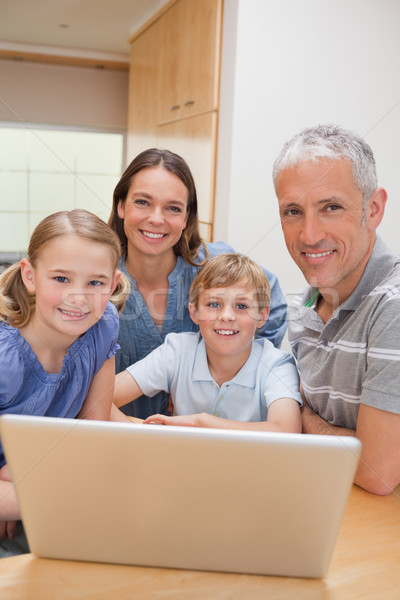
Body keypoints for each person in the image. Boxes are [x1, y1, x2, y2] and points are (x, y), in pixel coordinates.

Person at [108, 148, 288, 420]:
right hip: (120, 430)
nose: (157, 218)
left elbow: (270, 299)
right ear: (121, 206)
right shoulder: (98, 278)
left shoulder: (213, 266)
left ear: (186, 217)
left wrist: (242, 361)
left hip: (209, 437)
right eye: (143, 202)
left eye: (173, 208)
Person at [273, 123, 400, 495]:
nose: (309, 234)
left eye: (331, 207)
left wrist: (305, 420)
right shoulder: (305, 303)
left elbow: (377, 472)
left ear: (373, 209)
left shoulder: (393, 307)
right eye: (293, 211)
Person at [0, 209, 129, 555]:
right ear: (30, 275)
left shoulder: (103, 327)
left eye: (95, 283)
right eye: (61, 279)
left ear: (113, 283)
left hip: (41, 485)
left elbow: (91, 435)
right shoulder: (4, 358)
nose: (78, 297)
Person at [112, 253, 302, 433]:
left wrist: (201, 422)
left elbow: (286, 429)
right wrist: (144, 439)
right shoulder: (177, 351)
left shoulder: (277, 364)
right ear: (194, 312)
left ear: (262, 315)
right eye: (214, 304)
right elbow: (99, 399)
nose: (226, 316)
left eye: (242, 306)